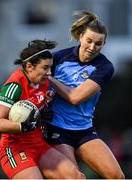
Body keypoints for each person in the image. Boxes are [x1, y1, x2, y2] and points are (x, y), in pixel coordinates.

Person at [42, 11, 125, 179]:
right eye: (89, 41)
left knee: (118, 176)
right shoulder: (58, 58)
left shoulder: (104, 67)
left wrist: (50, 78)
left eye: (98, 43)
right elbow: (36, 83)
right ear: (80, 37)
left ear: (104, 44)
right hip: (57, 130)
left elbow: (75, 97)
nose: (92, 47)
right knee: (75, 178)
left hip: (84, 131)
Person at [0, 40, 85, 179]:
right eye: (45, 68)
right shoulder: (15, 85)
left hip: (38, 145)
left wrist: (43, 115)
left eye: (50, 67)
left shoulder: (44, 82)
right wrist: (23, 125)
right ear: (29, 66)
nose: (49, 73)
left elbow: (39, 109)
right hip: (15, 149)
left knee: (76, 176)